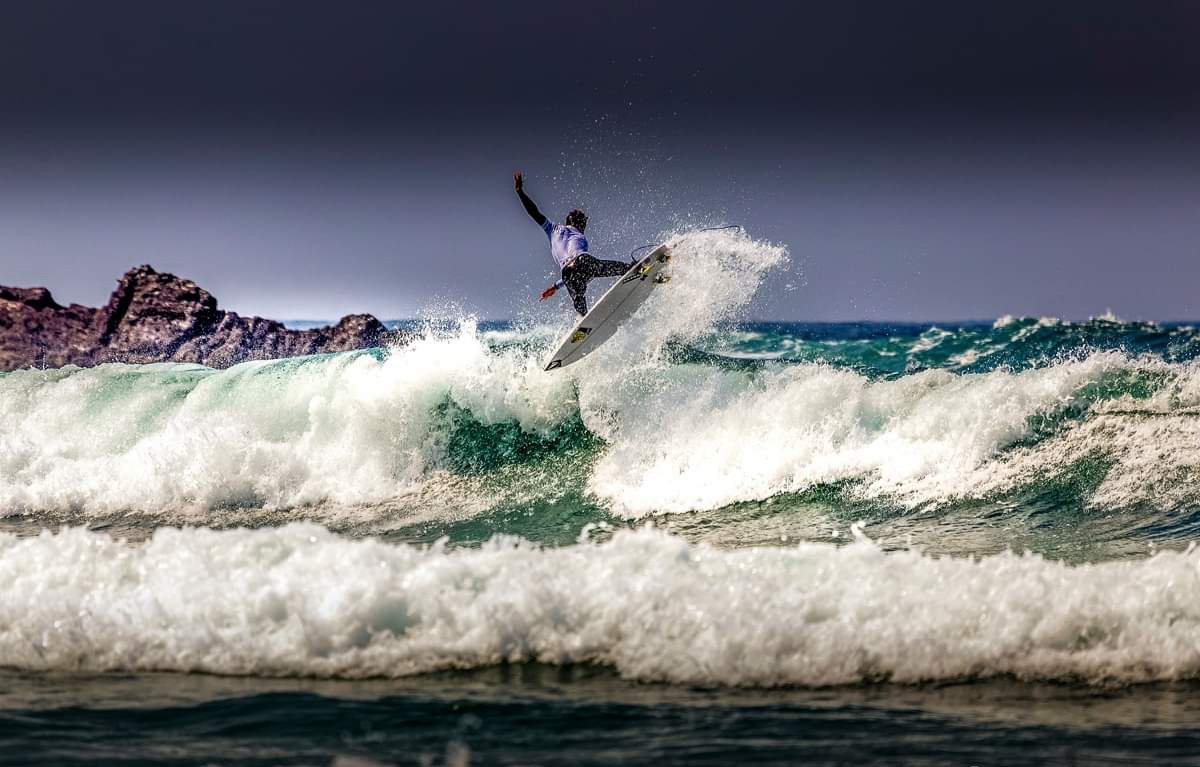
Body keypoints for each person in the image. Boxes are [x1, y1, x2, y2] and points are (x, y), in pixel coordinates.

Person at [514, 171, 631, 316]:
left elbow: (534, 213)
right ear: (578, 222)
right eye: (584, 221)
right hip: (584, 262)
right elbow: (533, 211)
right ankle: (634, 269)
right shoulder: (567, 231)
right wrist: (520, 192)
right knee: (616, 268)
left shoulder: (552, 230)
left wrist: (555, 287)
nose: (585, 224)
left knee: (580, 302)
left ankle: (585, 324)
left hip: (568, 275)